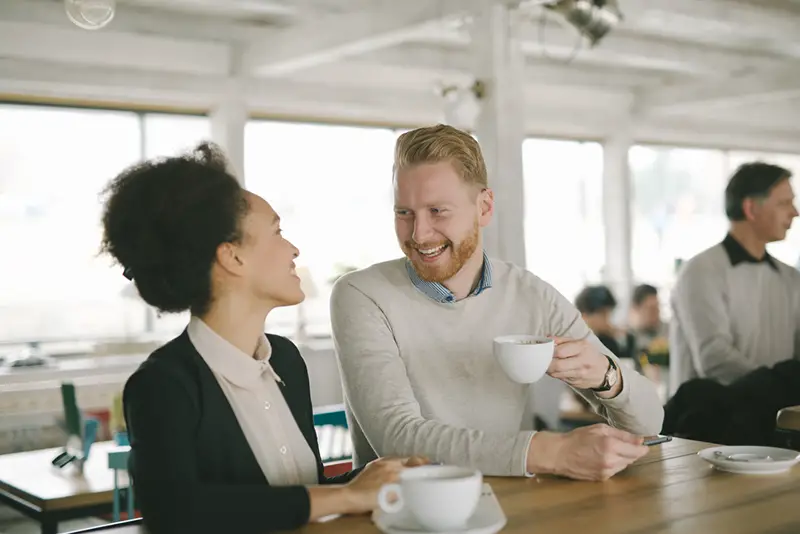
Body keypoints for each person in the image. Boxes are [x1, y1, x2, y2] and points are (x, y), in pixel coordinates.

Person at [100, 143, 424, 534]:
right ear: (232, 257)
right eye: (277, 232)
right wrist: (348, 496)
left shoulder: (285, 360)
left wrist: (370, 480)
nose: (293, 249)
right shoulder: (162, 385)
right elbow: (176, 513)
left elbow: (293, 499)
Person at [330, 124, 663, 482]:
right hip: (405, 514)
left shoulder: (532, 294)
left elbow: (650, 422)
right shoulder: (361, 295)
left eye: (437, 211)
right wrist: (548, 452)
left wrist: (604, 375)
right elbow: (396, 440)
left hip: (512, 508)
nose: (418, 234)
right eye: (404, 213)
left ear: (484, 207)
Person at [670, 161, 800, 392]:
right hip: (709, 420)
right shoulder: (701, 271)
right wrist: (781, 386)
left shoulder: (790, 277)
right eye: (784, 203)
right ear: (751, 209)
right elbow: (714, 358)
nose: (795, 212)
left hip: (775, 419)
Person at [574, 285, 634, 360]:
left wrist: (622, 339)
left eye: (609, 313)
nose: (607, 319)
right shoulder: (572, 342)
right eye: (603, 313)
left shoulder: (607, 340)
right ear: (584, 315)